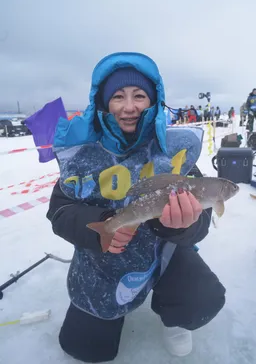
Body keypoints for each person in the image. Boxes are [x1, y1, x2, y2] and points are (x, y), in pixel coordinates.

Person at [46, 52, 226, 363]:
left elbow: (202, 218)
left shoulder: (175, 151)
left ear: (154, 102)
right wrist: (101, 225)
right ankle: (107, 313)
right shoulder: (83, 156)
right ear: (104, 104)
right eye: (118, 96)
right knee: (84, 348)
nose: (129, 107)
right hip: (103, 259)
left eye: (139, 95)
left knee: (202, 298)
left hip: (160, 252)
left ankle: (176, 319)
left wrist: (183, 225)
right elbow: (60, 211)